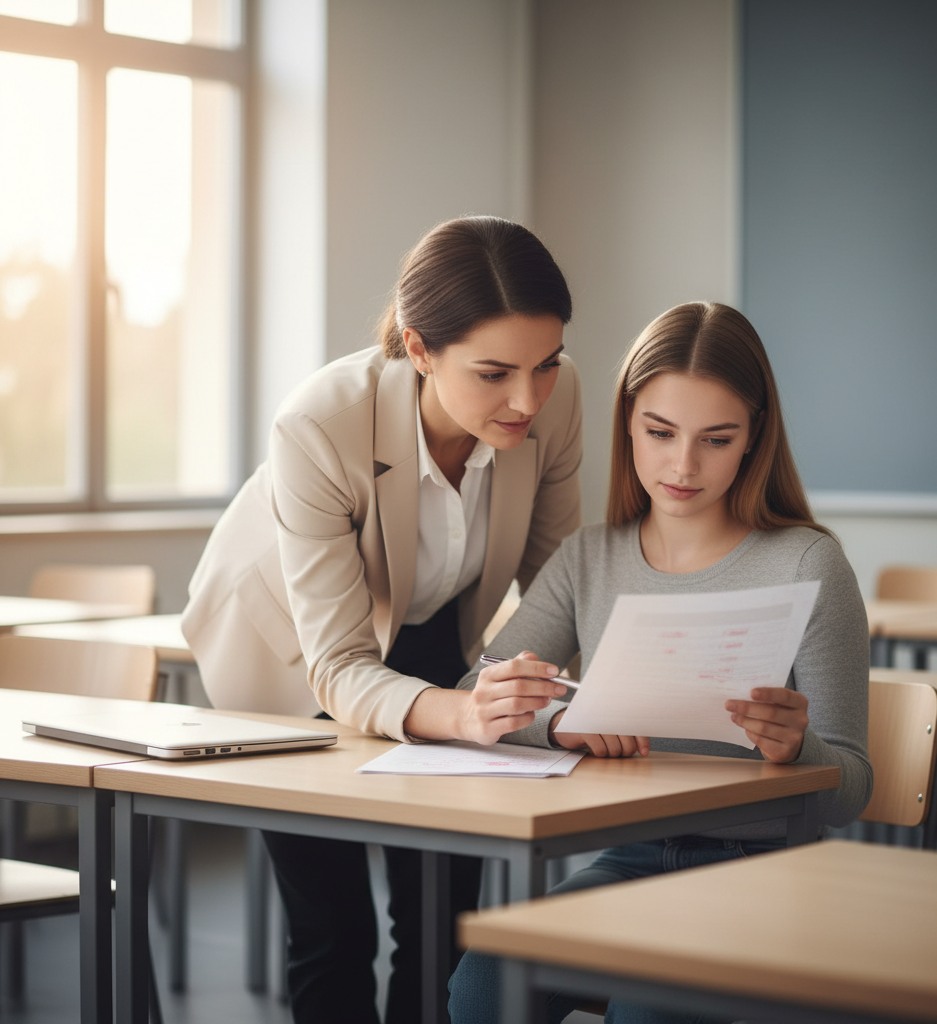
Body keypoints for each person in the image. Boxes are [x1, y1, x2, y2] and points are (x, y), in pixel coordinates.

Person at [181, 216, 582, 1024]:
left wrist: (581, 690)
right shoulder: (319, 424)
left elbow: (562, 586)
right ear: (419, 348)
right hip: (287, 657)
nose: (527, 399)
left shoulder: (552, 401)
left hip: (432, 630)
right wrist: (465, 712)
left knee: (440, 919)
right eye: (496, 372)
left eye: (545, 365)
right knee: (333, 929)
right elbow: (336, 665)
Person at [447, 301, 873, 1024]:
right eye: (660, 433)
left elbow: (853, 788)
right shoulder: (591, 555)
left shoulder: (808, 560)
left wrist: (800, 749)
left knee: (649, 1008)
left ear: (753, 439)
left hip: (767, 872)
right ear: (627, 426)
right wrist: (560, 725)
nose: (683, 464)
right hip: (634, 864)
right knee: (481, 988)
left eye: (716, 438)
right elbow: (474, 694)